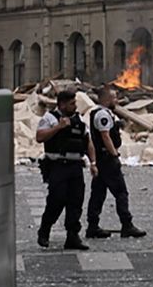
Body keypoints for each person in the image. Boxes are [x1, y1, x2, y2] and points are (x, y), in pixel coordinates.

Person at [35, 83, 96, 250]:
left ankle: (72, 236)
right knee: (57, 199)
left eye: (75, 103)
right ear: (62, 104)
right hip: (57, 166)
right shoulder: (50, 118)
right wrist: (58, 127)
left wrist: (93, 163)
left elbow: (88, 142)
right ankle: (45, 230)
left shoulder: (79, 120)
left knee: (75, 201)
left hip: (75, 166)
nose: (75, 106)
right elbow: (39, 137)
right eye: (71, 104)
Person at [86, 87, 146, 239]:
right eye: (114, 98)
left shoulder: (102, 113)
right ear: (106, 99)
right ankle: (127, 225)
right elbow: (105, 136)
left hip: (101, 160)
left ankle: (92, 226)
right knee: (121, 192)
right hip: (107, 160)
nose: (116, 101)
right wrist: (114, 154)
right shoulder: (102, 115)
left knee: (98, 193)